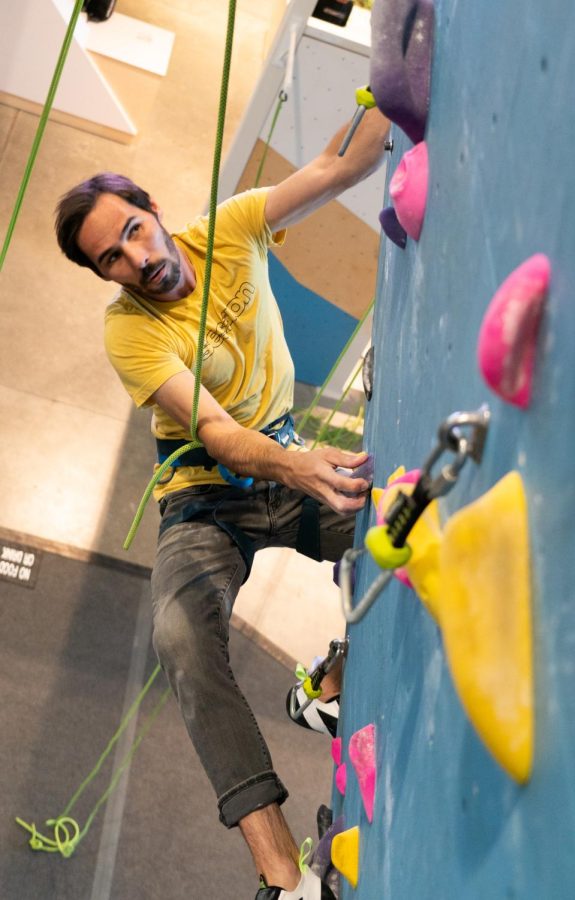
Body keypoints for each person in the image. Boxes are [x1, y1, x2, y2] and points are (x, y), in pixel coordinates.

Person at [55, 105, 389, 899]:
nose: (138, 258)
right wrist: (300, 466)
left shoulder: (231, 229)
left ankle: (326, 687)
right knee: (179, 635)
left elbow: (340, 166)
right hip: (205, 502)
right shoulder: (129, 332)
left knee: (391, 524)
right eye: (113, 258)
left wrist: (391, 68)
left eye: (135, 230)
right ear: (105, 276)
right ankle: (282, 875)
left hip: (281, 465)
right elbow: (211, 429)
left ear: (156, 212)